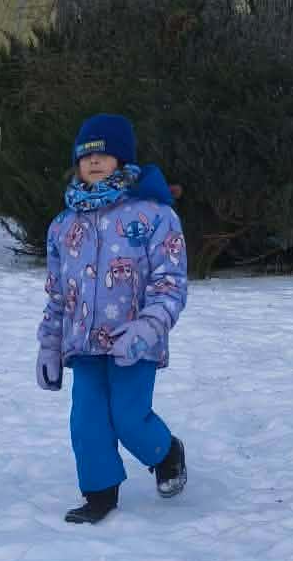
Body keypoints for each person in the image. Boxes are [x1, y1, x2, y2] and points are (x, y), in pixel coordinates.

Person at [36, 113, 189, 523]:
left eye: (104, 154)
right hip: (83, 345)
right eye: (86, 155)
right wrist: (49, 345)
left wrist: (148, 327)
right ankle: (99, 494)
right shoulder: (63, 226)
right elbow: (57, 293)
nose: (94, 161)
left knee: (128, 418)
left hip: (134, 343)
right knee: (86, 422)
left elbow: (171, 282)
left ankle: (166, 452)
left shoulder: (154, 216)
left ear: (122, 159)